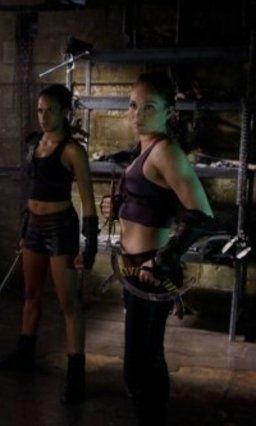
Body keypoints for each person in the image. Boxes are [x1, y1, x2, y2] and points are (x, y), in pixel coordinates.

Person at [101, 72, 214, 425]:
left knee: (140, 364)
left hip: (151, 272)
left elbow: (202, 215)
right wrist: (118, 205)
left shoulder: (166, 151)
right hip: (134, 269)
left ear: (169, 112)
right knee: (145, 356)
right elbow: (152, 202)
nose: (137, 114)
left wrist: (162, 260)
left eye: (149, 107)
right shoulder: (145, 148)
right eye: (133, 105)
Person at [0, 84, 98, 405]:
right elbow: (32, 190)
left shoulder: (72, 151)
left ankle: (76, 376)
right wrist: (25, 229)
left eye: (50, 110)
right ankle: (25, 355)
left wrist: (90, 245)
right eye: (40, 110)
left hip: (60, 227)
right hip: (35, 227)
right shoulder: (34, 144)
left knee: (69, 304)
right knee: (30, 294)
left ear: (65, 112)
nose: (44, 116)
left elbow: (88, 202)